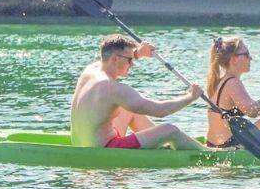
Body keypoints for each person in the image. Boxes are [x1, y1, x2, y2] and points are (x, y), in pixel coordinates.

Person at [71, 34, 206, 151]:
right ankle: (209, 152)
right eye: (129, 60)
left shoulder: (90, 70)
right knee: (171, 130)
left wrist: (137, 53)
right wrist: (191, 96)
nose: (132, 64)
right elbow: (160, 111)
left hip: (82, 142)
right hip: (106, 148)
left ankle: (160, 144)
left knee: (129, 109)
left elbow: (111, 59)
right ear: (115, 59)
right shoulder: (113, 88)